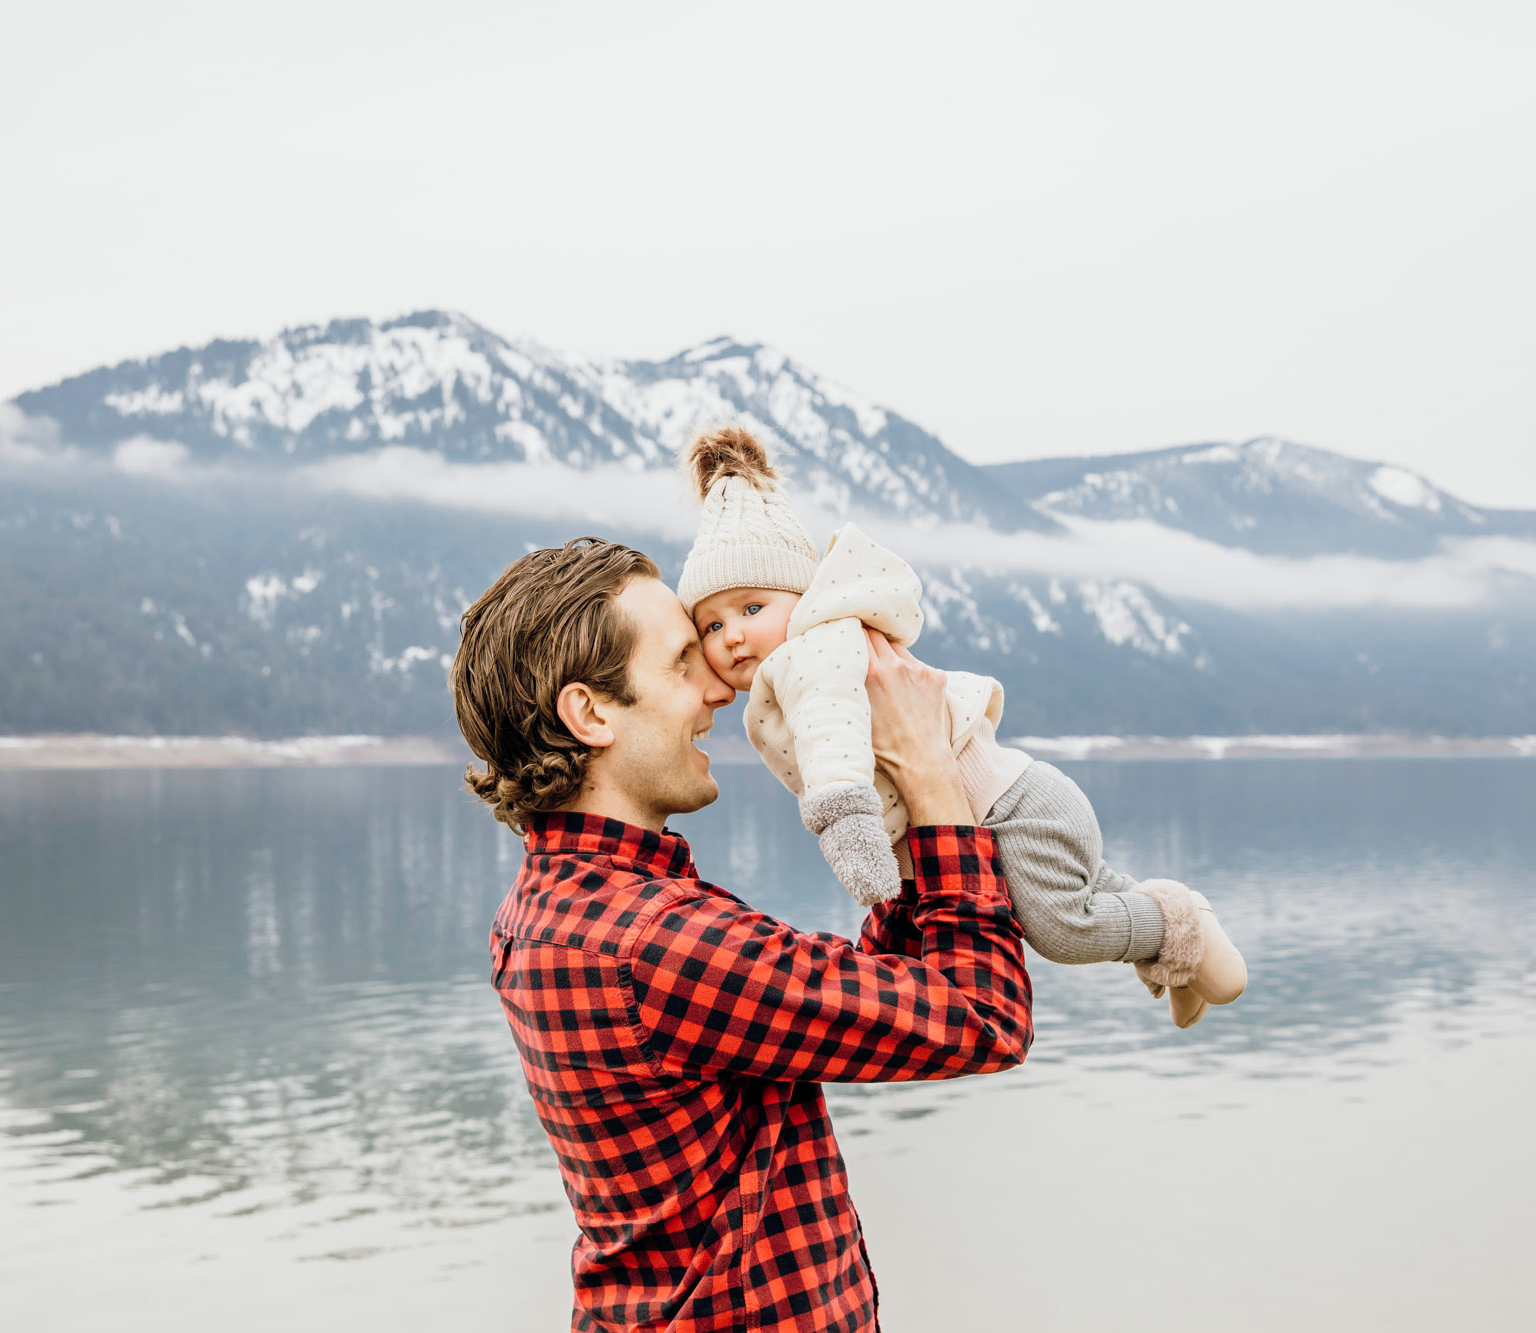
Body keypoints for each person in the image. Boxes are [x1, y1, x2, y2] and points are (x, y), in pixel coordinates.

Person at [450, 535, 1033, 1332]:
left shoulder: (543, 911)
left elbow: (853, 998)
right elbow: (980, 1015)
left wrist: (891, 806)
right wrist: (929, 768)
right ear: (589, 713)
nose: (716, 691)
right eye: (681, 663)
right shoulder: (655, 941)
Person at [674, 425, 1247, 1028]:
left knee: (1060, 930)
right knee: (1088, 892)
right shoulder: (801, 660)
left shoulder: (813, 653)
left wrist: (848, 829)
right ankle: (1177, 953)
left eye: (752, 609)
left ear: (802, 597)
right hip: (1017, 797)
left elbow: (834, 748)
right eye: (710, 626)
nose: (732, 634)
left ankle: (1183, 931)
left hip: (1009, 808)